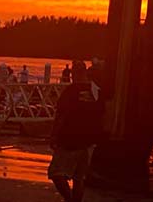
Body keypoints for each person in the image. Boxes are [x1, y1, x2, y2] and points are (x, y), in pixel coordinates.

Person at [47, 59, 103, 202]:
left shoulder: (70, 91)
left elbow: (61, 115)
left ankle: (70, 199)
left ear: (74, 73)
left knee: (55, 173)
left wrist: (54, 135)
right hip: (89, 140)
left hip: (70, 139)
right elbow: (102, 113)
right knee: (79, 178)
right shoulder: (95, 91)